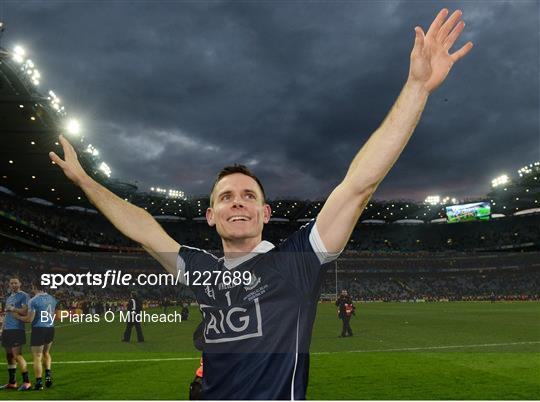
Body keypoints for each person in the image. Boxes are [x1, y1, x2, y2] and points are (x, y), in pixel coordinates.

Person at [49, 8, 473, 399]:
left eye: (249, 196)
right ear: (211, 216)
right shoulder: (200, 269)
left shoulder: (298, 262)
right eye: (226, 197)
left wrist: (416, 87)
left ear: (265, 214)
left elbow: (358, 186)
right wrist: (85, 181)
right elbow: (141, 227)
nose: (239, 203)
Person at [12, 280, 57, 390]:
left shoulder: (33, 300)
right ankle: (47, 375)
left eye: (32, 287)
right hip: (50, 328)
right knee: (46, 353)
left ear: (35, 286)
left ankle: (39, 383)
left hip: (39, 329)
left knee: (37, 357)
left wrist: (17, 317)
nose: (31, 289)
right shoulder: (52, 298)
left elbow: (29, 319)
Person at [0, 277, 31, 391]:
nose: (13, 285)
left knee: (17, 355)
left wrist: (13, 308)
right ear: (9, 285)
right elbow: (7, 315)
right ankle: (12, 382)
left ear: (20, 284)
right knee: (9, 356)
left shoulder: (24, 295)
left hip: (17, 329)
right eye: (11, 283)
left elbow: (25, 311)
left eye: (15, 283)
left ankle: (27, 382)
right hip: (7, 330)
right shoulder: (9, 297)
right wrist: (2, 329)